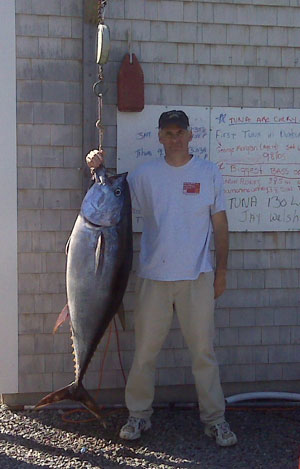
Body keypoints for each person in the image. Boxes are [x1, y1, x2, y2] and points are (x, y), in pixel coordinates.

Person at [86, 110, 237, 447]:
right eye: (168, 133)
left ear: (190, 135)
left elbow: (221, 224)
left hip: (198, 277)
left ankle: (215, 420)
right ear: (159, 137)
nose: (175, 138)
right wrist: (96, 167)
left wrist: (222, 271)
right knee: (145, 354)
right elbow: (110, 198)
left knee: (203, 354)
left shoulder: (209, 172)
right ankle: (138, 416)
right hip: (153, 278)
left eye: (180, 132)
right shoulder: (144, 175)